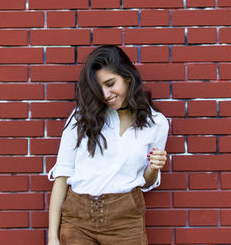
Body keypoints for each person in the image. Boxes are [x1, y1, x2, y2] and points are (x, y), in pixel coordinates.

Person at [47, 45, 169, 245]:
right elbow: (62, 177)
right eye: (99, 88)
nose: (105, 95)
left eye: (110, 83)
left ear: (127, 77)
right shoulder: (81, 118)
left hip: (126, 223)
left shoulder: (156, 124)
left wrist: (154, 167)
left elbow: (146, 182)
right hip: (78, 223)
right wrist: (53, 237)